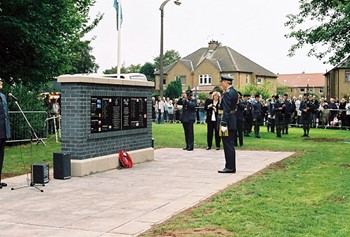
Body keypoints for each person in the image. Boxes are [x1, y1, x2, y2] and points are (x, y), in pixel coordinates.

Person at [218, 75, 238, 173]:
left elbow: (226, 109)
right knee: (230, 144)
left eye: (222, 82)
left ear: (226, 82)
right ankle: (231, 165)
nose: (221, 84)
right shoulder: (234, 92)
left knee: (227, 144)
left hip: (227, 121)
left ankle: (229, 166)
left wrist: (223, 123)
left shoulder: (227, 94)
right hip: (232, 119)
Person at [0, 78, 11, 189]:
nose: (2, 82)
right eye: (0, 81)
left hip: (3, 131)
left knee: (1, 156)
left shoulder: (2, 96)